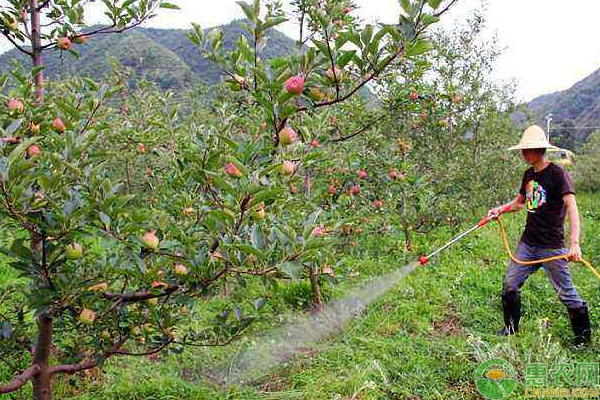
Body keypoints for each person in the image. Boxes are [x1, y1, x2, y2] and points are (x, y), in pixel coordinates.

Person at [488, 125, 591, 345]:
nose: (524, 153)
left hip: (551, 246)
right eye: (523, 149)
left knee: (566, 293)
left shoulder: (557, 174)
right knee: (510, 284)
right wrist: (500, 210)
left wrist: (574, 244)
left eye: (528, 149)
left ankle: (582, 340)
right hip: (528, 243)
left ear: (540, 149)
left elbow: (572, 208)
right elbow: (519, 203)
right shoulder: (528, 174)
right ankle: (511, 328)